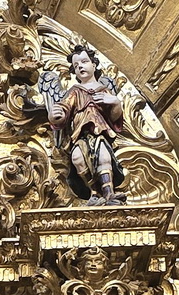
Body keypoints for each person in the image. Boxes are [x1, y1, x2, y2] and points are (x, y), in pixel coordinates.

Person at [48, 45, 126, 205]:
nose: (80, 67)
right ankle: (94, 191)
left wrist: (115, 103)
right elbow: (64, 109)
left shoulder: (103, 89)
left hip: (100, 132)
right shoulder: (75, 91)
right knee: (77, 158)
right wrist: (54, 115)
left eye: (84, 62)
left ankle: (109, 192)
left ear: (94, 65)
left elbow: (113, 117)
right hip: (80, 135)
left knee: (103, 157)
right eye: (76, 65)